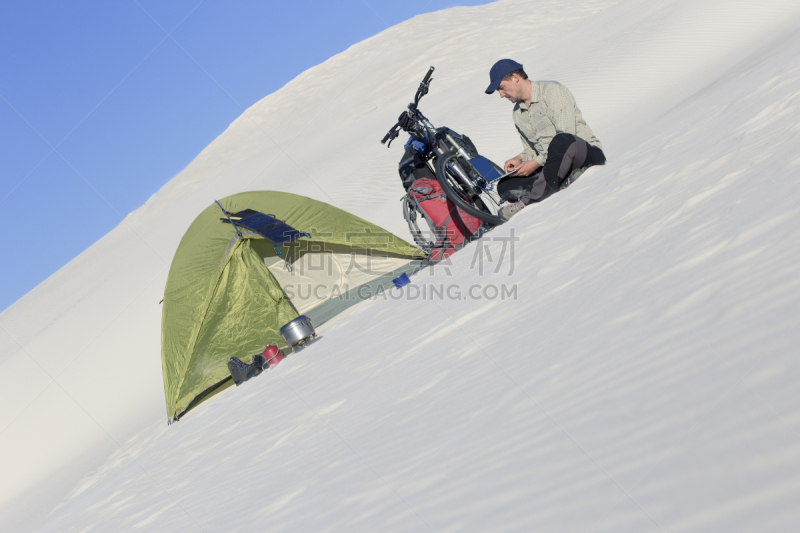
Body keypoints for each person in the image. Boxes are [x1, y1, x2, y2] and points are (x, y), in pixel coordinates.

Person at [485, 59, 606, 221]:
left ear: (515, 77)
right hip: (551, 166)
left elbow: (567, 135)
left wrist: (535, 163)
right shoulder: (517, 113)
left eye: (501, 88)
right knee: (505, 186)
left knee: (561, 141)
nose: (501, 95)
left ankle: (528, 200)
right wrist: (520, 159)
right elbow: (532, 150)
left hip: (583, 155)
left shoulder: (552, 92)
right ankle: (565, 182)